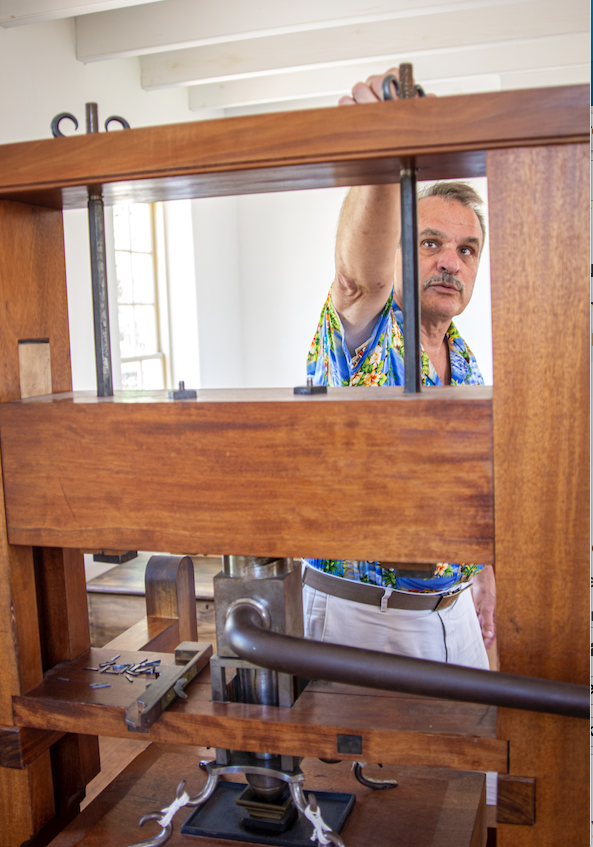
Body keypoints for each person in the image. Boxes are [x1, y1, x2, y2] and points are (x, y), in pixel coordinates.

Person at [302, 68, 496, 671]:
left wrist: (486, 570)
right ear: (397, 251)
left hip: (453, 612)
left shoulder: (464, 361)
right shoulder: (365, 330)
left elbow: (471, 483)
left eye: (466, 251)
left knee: (472, 762)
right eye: (429, 243)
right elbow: (358, 276)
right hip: (360, 614)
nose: (450, 262)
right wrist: (383, 156)